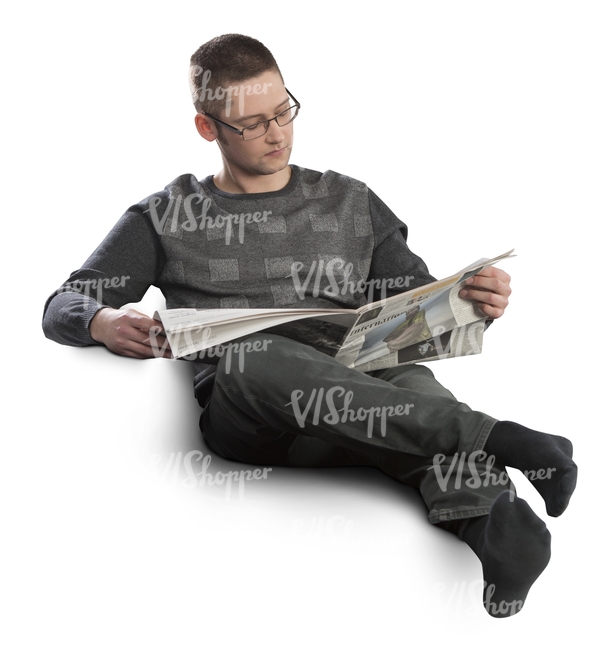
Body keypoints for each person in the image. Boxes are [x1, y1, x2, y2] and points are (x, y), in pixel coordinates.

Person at [42, 33, 577, 618]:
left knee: (414, 385)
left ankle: (498, 532)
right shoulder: (167, 214)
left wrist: (474, 301)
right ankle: (501, 438)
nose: (277, 134)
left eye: (283, 112)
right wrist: (99, 320)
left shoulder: (350, 200)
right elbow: (63, 302)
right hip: (258, 415)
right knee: (254, 356)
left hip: (368, 391)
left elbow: (417, 309)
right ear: (208, 128)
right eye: (252, 123)